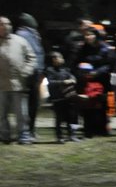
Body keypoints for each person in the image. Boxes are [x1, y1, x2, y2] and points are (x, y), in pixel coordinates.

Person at [0, 16, 38, 144]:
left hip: (18, 84)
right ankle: (5, 136)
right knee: (1, 114)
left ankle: (24, 136)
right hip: (1, 85)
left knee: (21, 113)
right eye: (2, 24)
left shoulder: (20, 41)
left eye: (7, 23)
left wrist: (26, 71)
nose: (5, 26)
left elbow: (32, 57)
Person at [13, 13, 47, 144]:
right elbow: (33, 54)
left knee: (31, 103)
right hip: (30, 73)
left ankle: (29, 130)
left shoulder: (31, 34)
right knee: (29, 103)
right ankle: (27, 131)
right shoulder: (24, 34)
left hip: (33, 73)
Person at [45, 51, 78, 142]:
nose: (62, 59)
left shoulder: (65, 69)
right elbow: (50, 82)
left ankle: (71, 135)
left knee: (70, 117)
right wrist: (63, 82)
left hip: (67, 97)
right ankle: (59, 136)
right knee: (59, 118)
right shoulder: (49, 70)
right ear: (54, 59)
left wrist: (72, 79)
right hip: (57, 98)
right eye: (60, 57)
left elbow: (72, 77)